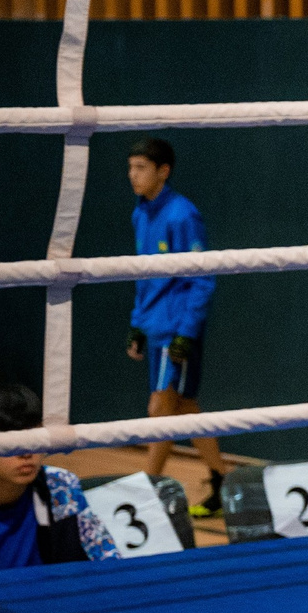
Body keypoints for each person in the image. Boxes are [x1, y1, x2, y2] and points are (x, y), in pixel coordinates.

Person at [123, 137, 229, 517]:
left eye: (141, 168)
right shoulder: (140, 214)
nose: (132, 175)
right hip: (154, 328)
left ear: (163, 171)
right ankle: (222, 481)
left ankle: (147, 492)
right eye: (130, 167)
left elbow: (202, 279)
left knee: (160, 408)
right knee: (183, 408)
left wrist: (186, 333)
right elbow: (144, 276)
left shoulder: (183, 215)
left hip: (176, 331)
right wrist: (138, 324)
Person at [0, 382, 120, 567]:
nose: (26, 453)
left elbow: (108, 560)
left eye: (34, 439)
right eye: (9, 441)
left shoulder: (61, 486)